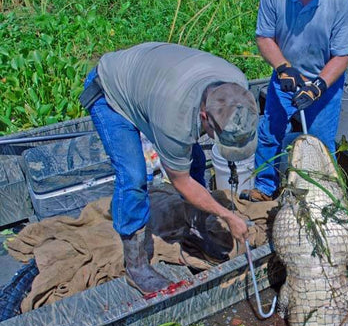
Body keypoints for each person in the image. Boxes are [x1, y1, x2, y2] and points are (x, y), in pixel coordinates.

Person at [79, 42, 259, 295]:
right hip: (111, 92)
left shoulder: (237, 84)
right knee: (133, 178)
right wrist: (227, 216)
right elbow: (181, 181)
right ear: (205, 117)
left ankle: (196, 226)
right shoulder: (174, 119)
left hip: (153, 81)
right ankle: (136, 265)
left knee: (195, 160)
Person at [241, 0, 348, 202]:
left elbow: (343, 55)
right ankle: (265, 187)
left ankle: (323, 196)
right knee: (270, 133)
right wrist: (283, 68)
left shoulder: (339, 0)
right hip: (285, 76)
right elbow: (264, 37)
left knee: (320, 142)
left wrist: (318, 87)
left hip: (323, 81)